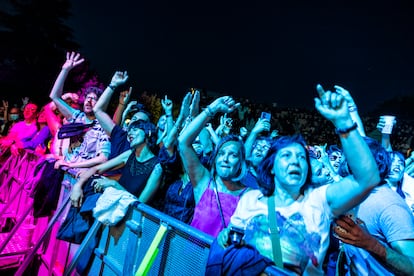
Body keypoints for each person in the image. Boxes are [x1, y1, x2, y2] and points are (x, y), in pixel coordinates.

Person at [215, 84, 380, 275]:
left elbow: (367, 178)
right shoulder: (250, 199)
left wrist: (344, 122)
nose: (295, 161)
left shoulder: (319, 200)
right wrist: (225, 236)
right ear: (272, 168)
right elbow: (235, 239)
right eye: (286, 156)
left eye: (302, 157)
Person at [334, 137, 414, 275]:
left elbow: (412, 267)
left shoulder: (389, 205)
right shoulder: (357, 197)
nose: (341, 159)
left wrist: (371, 243)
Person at [178, 95, 249, 237]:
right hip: (192, 256)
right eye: (221, 154)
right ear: (215, 159)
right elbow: (183, 142)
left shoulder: (248, 196)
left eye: (233, 155)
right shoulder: (204, 183)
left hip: (223, 259)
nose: (225, 159)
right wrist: (213, 108)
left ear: (241, 162)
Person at [70, 119, 162, 207]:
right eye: (129, 130)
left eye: (135, 129)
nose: (130, 133)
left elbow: (140, 204)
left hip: (129, 219)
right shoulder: (130, 154)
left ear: (148, 133)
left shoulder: (157, 167)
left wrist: (114, 184)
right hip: (113, 206)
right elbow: (97, 168)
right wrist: (77, 186)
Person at [50, 52, 110, 174]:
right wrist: (65, 70)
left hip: (81, 177)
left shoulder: (102, 126)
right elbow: (54, 96)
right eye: (87, 97)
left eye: (94, 99)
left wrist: (72, 164)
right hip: (64, 172)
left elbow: (103, 158)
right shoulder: (77, 117)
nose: (89, 100)